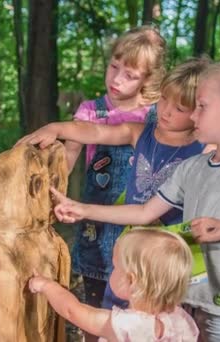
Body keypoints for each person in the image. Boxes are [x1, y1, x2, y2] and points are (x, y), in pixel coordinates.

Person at [50, 59, 220, 341]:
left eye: (201, 107)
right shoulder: (191, 168)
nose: (192, 116)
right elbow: (144, 212)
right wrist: (82, 209)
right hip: (181, 295)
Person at [18, 57, 214, 310]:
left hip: (172, 254)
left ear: (199, 111)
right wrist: (57, 128)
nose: (166, 111)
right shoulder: (141, 132)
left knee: (163, 317)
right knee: (116, 308)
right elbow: (96, 132)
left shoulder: (204, 148)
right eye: (164, 99)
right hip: (133, 244)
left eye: (180, 108)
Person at [62, 25, 167, 338]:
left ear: (148, 80)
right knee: (96, 308)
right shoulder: (90, 112)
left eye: (130, 74)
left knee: (139, 309)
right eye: (114, 67)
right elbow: (66, 160)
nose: (117, 79)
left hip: (141, 229)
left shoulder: (156, 116)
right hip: (96, 224)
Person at [28, 228, 199, 342]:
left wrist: (47, 286)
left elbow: (72, 311)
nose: (112, 271)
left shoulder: (129, 325)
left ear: (131, 281)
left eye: (115, 268)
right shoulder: (180, 319)